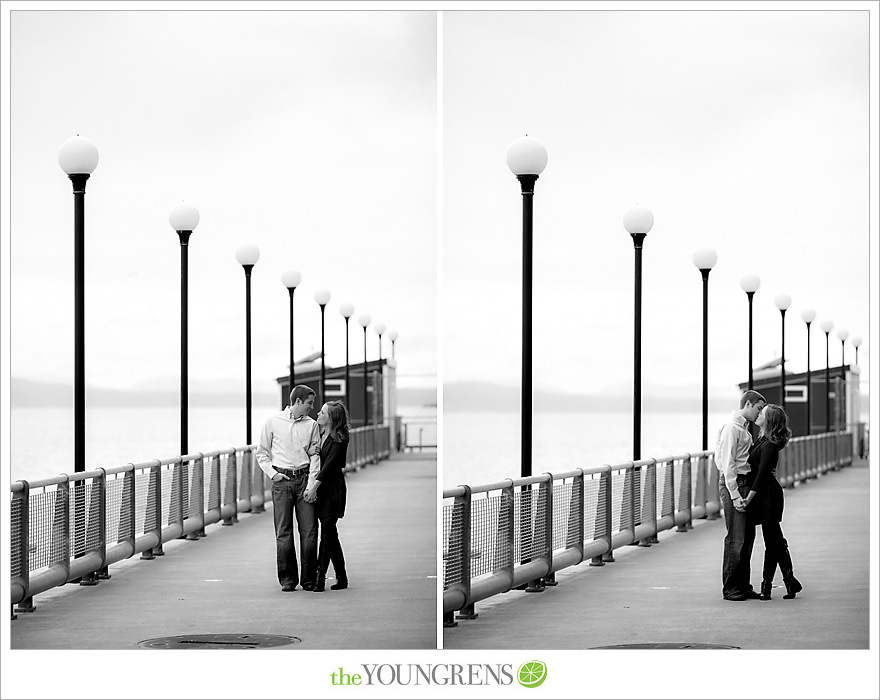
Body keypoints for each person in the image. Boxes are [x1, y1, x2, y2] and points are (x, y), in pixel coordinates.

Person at [255, 385, 321, 592]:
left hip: (304, 480)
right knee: (283, 532)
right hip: (282, 481)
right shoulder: (273, 422)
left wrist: (312, 485)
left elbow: (315, 457)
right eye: (309, 403)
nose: (312, 407)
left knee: (309, 531)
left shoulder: (312, 425)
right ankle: (288, 579)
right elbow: (261, 453)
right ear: (298, 401)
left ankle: (309, 579)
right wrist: (273, 474)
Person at [744, 404, 803, 600]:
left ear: (769, 420)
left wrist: (748, 498)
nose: (759, 414)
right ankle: (788, 582)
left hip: (768, 496)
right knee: (775, 541)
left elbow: (761, 475)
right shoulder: (762, 440)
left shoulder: (769, 445)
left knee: (772, 541)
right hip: (763, 495)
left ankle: (768, 586)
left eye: (763, 413)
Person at [715, 390, 766, 601]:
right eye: (758, 408)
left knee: (748, 538)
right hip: (735, 485)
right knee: (736, 539)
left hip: (744, 484)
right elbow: (727, 465)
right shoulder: (732, 429)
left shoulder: (744, 429)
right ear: (746, 404)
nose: (759, 413)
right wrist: (735, 495)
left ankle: (743, 585)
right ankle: (731, 588)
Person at [306, 400, 350, 592]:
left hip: (332, 490)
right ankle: (342, 577)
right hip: (323, 488)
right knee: (331, 534)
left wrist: (314, 488)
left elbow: (329, 467)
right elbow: (317, 460)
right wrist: (310, 452)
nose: (318, 414)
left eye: (322, 412)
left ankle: (320, 578)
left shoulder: (340, 439)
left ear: (331, 418)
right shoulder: (321, 434)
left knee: (327, 533)